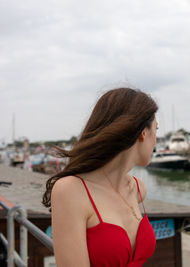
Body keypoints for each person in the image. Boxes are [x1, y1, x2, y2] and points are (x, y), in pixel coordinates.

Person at [42, 87, 158, 267]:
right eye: (156, 130)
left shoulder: (138, 189)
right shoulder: (71, 191)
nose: (156, 141)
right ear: (143, 132)